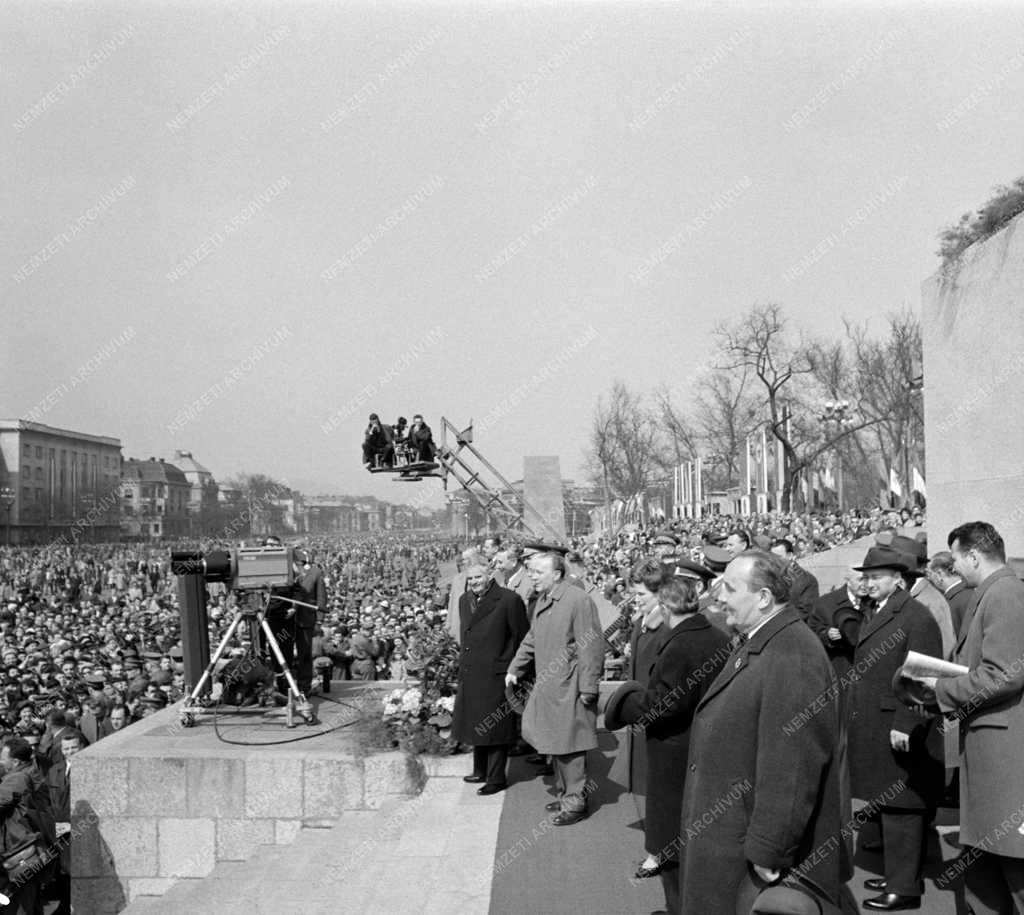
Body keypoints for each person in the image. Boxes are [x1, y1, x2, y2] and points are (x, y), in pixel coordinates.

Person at [678, 550, 845, 915]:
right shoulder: (762, 639)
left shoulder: (793, 653)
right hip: (729, 830)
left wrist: (770, 849)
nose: (719, 596)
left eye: (731, 588)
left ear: (765, 598)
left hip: (749, 851)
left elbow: (793, 765)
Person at [602, 577, 730, 913]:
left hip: (674, 752)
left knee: (671, 841)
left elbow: (664, 704)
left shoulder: (679, 645)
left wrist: (623, 703)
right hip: (703, 747)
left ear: (667, 606)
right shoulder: (716, 636)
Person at [924, 522, 1024, 915]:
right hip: (987, 749)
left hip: (1003, 756)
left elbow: (1005, 673)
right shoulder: (994, 591)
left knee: (1012, 864)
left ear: (973, 556)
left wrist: (940, 689)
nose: (954, 568)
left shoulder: (1004, 593)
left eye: (956, 559)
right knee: (985, 863)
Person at [848, 545, 944, 912]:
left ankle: (904, 888)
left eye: (875, 578)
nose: (868, 583)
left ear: (897, 579)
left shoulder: (915, 616)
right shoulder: (882, 610)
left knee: (903, 807)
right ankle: (898, 875)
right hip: (880, 722)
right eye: (866, 577)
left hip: (901, 725)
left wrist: (907, 722)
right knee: (890, 804)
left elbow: (926, 675)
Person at [505, 552, 603, 825]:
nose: (532, 576)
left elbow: (591, 646)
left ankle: (575, 803)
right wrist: (515, 668)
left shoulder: (578, 600)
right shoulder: (545, 600)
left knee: (570, 747)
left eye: (537, 572)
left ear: (557, 574)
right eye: (531, 571)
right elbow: (532, 638)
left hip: (570, 687)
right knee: (557, 745)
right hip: (551, 687)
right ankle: (565, 796)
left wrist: (588, 687)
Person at [451, 561, 529, 795]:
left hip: (496, 673)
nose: (474, 582)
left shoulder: (508, 599)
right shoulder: (464, 601)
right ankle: (480, 770)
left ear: (490, 575)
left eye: (478, 577)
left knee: (495, 727)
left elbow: (521, 636)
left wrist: (513, 669)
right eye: (470, 578)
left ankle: (496, 778)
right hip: (471, 672)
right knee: (476, 723)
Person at [291, 548, 327, 696]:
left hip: (305, 618)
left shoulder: (315, 572)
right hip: (286, 618)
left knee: (304, 652)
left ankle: (304, 685)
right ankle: (285, 684)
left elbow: (321, 597)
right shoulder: (285, 569)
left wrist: (319, 620)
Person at [770, 537, 821, 625]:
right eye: (772, 557)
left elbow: (806, 612)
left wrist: (778, 621)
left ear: (790, 556)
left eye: (778, 557)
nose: (774, 561)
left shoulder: (807, 580)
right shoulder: (770, 577)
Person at [925, 550, 974, 639]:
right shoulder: (967, 593)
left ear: (939, 574)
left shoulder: (961, 599)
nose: (928, 578)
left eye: (929, 574)